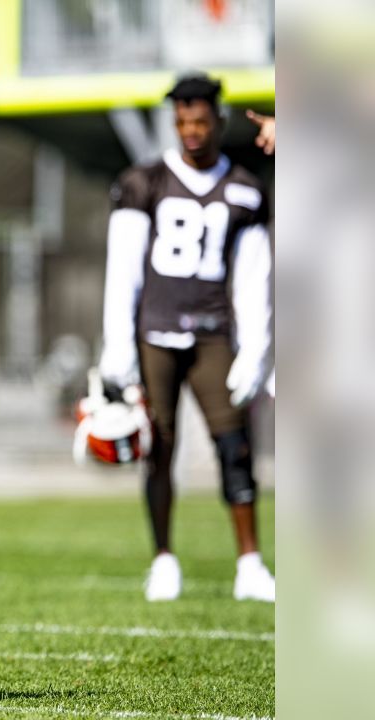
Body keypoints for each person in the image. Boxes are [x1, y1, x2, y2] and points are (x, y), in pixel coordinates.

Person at [97, 74, 275, 602]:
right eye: (182, 122)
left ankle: (249, 563)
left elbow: (253, 275)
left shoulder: (244, 187)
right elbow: (123, 270)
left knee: (234, 444)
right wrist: (118, 344)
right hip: (155, 332)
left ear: (218, 122)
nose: (191, 132)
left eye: (200, 121)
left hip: (214, 332)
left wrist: (258, 347)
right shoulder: (143, 181)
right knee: (159, 447)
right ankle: (164, 559)